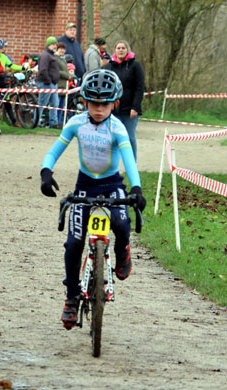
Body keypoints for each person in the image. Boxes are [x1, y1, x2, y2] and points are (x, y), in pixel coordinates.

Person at [39, 69, 146, 329]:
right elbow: (54, 151)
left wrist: (137, 188)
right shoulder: (76, 123)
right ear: (85, 101)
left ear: (114, 103)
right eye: (94, 103)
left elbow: (129, 160)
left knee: (121, 226)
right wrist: (45, 172)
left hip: (112, 186)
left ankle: (123, 252)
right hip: (84, 186)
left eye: (105, 103)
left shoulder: (118, 127)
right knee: (74, 244)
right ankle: (72, 298)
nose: (99, 109)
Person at [104, 40, 145, 160]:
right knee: (112, 138)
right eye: (118, 48)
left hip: (130, 110)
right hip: (113, 109)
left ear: (127, 50)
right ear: (115, 50)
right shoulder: (109, 66)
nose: (121, 50)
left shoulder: (135, 66)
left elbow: (139, 88)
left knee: (129, 137)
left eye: (123, 48)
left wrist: (135, 107)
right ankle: (111, 164)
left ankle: (131, 163)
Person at [36, 36, 61, 129]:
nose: (55, 46)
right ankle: (36, 122)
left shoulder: (52, 55)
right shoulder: (45, 55)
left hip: (53, 83)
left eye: (56, 44)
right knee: (42, 103)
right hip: (45, 83)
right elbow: (43, 69)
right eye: (53, 44)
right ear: (49, 45)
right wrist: (48, 81)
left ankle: (53, 123)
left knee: (55, 103)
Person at [55, 42, 72, 128]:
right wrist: (67, 75)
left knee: (62, 107)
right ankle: (56, 122)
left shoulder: (63, 59)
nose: (62, 50)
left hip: (64, 86)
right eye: (60, 48)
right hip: (58, 85)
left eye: (63, 49)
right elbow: (57, 71)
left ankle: (60, 122)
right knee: (57, 106)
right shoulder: (55, 59)